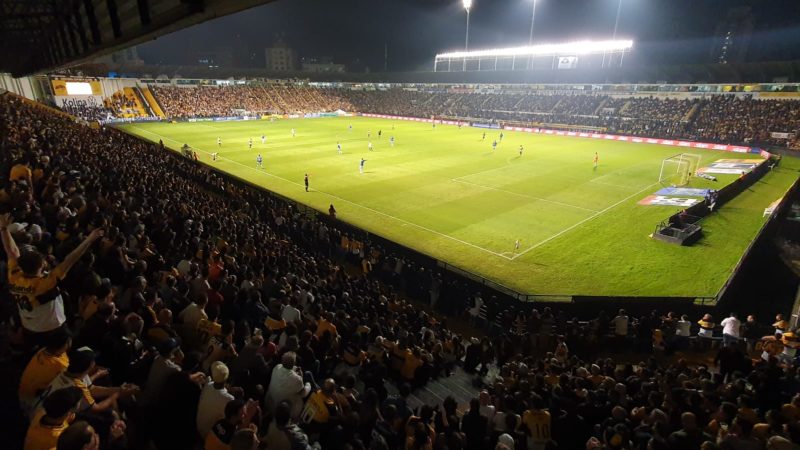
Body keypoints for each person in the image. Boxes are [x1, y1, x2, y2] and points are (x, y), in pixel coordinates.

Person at [2, 212, 103, 346]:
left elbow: (12, 251)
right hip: (51, 328)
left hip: (29, 326)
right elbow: (71, 259)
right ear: (42, 265)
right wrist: (90, 239)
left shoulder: (14, 276)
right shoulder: (45, 283)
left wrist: (3, 229)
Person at [265, 352, 311, 419]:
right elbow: (303, 394)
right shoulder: (297, 379)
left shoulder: (277, 367)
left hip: (270, 403)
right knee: (300, 397)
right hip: (283, 410)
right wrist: (307, 384)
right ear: (294, 363)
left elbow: (286, 371)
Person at [197, 361, 236, 439]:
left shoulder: (208, 385)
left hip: (198, 426)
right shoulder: (229, 399)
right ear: (226, 379)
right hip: (208, 435)